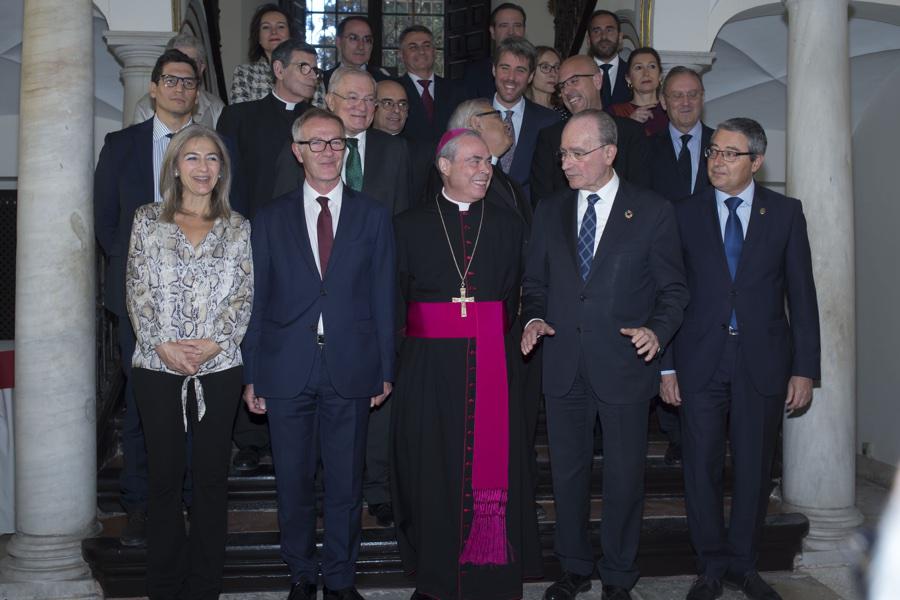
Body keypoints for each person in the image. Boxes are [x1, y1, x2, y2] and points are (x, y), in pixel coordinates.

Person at [521, 109, 688, 600]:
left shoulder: (653, 210)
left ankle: (618, 573)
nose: (566, 163)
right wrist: (532, 319)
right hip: (564, 366)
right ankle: (573, 566)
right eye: (563, 154)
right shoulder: (549, 209)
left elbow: (674, 290)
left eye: (577, 153)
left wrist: (657, 332)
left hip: (622, 366)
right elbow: (535, 285)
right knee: (567, 475)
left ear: (608, 153)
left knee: (623, 478)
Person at [659, 118, 820, 600]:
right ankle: (710, 564)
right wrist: (666, 365)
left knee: (754, 468)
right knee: (700, 467)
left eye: (730, 153)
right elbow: (668, 293)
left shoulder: (786, 213)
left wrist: (805, 367)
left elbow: (802, 295)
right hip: (699, 359)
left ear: (757, 161)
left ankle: (744, 566)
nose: (717, 161)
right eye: (713, 152)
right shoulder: (683, 213)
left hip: (763, 361)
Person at [241, 108, 395, 600]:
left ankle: (341, 577)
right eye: (317, 143)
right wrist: (253, 373)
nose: (328, 152)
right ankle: (302, 574)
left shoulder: (373, 214)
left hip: (351, 367)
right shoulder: (268, 218)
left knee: (347, 484)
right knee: (293, 482)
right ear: (298, 151)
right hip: (286, 369)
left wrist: (385, 369)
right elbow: (256, 301)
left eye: (336, 143)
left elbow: (384, 297)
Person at [94, 49, 242, 548]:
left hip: (208, 326)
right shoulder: (122, 145)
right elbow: (107, 223)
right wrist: (145, 308)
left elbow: (239, 282)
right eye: (171, 80)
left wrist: (214, 339)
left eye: (189, 81)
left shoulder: (217, 165)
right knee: (142, 414)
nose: (181, 88)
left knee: (201, 448)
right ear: (153, 87)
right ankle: (141, 507)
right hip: (142, 305)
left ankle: (189, 516)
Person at [392, 129, 542, 600]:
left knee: (492, 465)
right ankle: (436, 577)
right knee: (430, 468)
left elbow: (528, 287)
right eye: (475, 161)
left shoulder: (509, 223)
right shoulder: (407, 224)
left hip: (493, 364)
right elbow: (392, 300)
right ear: (444, 165)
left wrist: (531, 320)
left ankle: (491, 577)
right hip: (428, 368)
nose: (485, 170)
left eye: (490, 162)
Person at [125, 125, 253, 599]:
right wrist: (163, 345)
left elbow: (243, 294)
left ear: (222, 169)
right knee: (163, 480)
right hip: (157, 368)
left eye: (212, 159)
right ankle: (164, 585)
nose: (203, 168)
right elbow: (137, 287)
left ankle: (204, 587)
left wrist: (214, 344)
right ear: (175, 165)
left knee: (210, 482)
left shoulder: (239, 226)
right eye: (193, 158)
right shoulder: (146, 220)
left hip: (219, 369)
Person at [273, 67, 413, 218]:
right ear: (331, 101)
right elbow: (282, 211)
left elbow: (402, 215)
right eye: (352, 98)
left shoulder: (394, 149)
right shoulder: (304, 145)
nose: (362, 107)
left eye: (369, 99)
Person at [530, 55, 649, 204]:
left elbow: (641, 195)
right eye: (562, 86)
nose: (567, 91)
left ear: (597, 81)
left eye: (574, 81)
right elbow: (542, 203)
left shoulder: (630, 133)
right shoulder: (550, 137)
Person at [491, 37, 561, 202]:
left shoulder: (550, 121)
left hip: (532, 220)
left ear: (530, 77)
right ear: (494, 70)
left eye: (520, 70)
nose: (511, 78)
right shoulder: (472, 116)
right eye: (505, 68)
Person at [648, 66, 713, 203]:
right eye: (677, 96)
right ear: (664, 102)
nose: (686, 103)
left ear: (702, 98)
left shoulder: (721, 145)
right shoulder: (645, 148)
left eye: (693, 94)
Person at [132, 33, 225, 128]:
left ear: (201, 68)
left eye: (191, 61)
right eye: (177, 59)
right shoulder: (145, 107)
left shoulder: (216, 107)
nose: (183, 67)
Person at [395, 25, 466, 143]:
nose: (421, 51)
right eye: (413, 47)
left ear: (434, 51)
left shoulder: (456, 90)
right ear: (401, 55)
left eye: (426, 46)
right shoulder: (394, 90)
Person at [229, 4, 292, 103]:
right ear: (258, 38)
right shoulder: (244, 73)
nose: (274, 32)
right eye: (266, 27)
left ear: (291, 35)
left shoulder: (308, 72)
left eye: (281, 26)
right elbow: (239, 116)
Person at [463, 3, 527, 99]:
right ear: (493, 32)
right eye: (504, 26)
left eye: (517, 25)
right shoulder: (475, 73)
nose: (511, 32)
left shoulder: (537, 69)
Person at [608, 47, 668, 137]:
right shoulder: (615, 112)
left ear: (660, 76)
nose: (646, 73)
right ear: (628, 78)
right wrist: (628, 124)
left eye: (652, 66)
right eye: (639, 68)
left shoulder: (670, 110)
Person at [323, 16, 391, 89]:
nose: (361, 46)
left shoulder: (386, 82)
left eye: (367, 40)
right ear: (338, 42)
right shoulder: (322, 82)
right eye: (353, 38)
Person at [587, 10, 631, 108]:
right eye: (596, 31)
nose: (603, 36)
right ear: (588, 40)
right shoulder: (578, 76)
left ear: (620, 37)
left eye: (609, 30)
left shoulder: (633, 73)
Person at [526, 46, 569, 119]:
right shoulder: (519, 110)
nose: (553, 74)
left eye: (557, 67)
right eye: (545, 67)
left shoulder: (566, 112)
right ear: (531, 72)